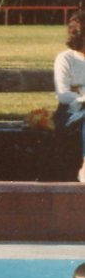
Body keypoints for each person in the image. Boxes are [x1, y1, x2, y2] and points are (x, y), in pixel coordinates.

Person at [53, 10, 85, 183]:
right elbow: (64, 95)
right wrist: (82, 97)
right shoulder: (65, 59)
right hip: (70, 113)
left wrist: (80, 89)